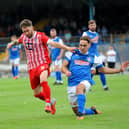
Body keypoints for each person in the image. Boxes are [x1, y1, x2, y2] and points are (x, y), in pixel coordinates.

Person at [7, 19, 76, 115]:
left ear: (32, 28)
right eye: (24, 31)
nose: (26, 33)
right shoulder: (23, 37)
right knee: (37, 94)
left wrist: (67, 48)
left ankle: (47, 104)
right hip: (31, 67)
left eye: (28, 30)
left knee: (43, 79)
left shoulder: (40, 36)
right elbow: (18, 41)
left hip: (43, 63)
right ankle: (52, 101)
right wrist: (11, 43)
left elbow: (53, 43)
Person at [61, 36, 129, 120]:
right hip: (71, 84)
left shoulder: (94, 57)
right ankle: (92, 111)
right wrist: (66, 71)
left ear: (89, 45)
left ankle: (80, 115)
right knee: (75, 110)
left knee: (80, 88)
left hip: (85, 81)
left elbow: (103, 69)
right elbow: (63, 66)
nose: (82, 47)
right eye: (80, 45)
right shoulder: (71, 53)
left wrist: (119, 70)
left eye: (84, 45)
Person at [82, 20, 109, 90]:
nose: (93, 26)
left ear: (96, 26)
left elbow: (94, 45)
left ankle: (105, 86)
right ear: (88, 26)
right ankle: (87, 86)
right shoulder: (85, 33)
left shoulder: (96, 34)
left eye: (94, 25)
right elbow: (83, 42)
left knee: (101, 70)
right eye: (91, 25)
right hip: (89, 56)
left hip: (96, 56)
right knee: (91, 72)